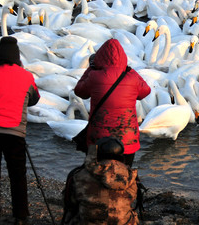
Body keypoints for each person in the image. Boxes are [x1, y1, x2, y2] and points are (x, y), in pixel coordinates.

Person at [0, 36, 41, 225]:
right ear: (17, 57)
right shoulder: (26, 76)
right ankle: (20, 216)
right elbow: (34, 99)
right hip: (15, 131)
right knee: (17, 174)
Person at [74, 39, 151, 167]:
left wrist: (90, 69)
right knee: (124, 174)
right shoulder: (132, 76)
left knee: (94, 173)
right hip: (127, 139)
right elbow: (145, 91)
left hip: (98, 139)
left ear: (99, 58)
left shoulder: (94, 76)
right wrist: (130, 71)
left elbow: (79, 91)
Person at [62, 137, 140, 225]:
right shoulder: (131, 175)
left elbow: (70, 202)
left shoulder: (79, 174)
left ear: (97, 154)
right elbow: (132, 199)